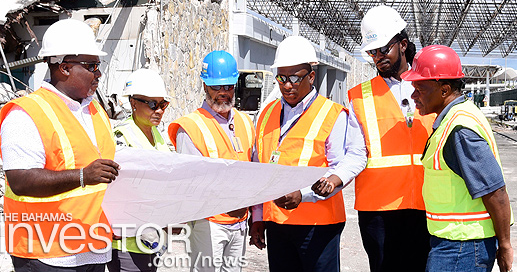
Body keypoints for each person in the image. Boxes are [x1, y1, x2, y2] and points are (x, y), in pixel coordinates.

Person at [0, 19, 120, 271]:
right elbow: (20, 180)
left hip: (92, 246)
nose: (99, 73)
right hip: (46, 252)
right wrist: (83, 176)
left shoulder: (95, 110)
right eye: (92, 66)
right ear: (64, 68)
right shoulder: (27, 113)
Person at [249, 36, 367, 272]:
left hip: (318, 226)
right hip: (277, 223)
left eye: (294, 78)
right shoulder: (267, 114)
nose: (287, 85)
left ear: (311, 76)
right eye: (281, 78)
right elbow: (259, 166)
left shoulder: (332, 114)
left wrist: (303, 194)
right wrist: (258, 216)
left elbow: (348, 161)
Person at [401, 45, 513, 272]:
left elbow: (495, 191)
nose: (413, 96)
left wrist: (505, 244)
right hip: (457, 242)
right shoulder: (454, 118)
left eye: (419, 88)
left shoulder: (459, 129)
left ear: (444, 90)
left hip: (462, 246)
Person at [347, 5, 435, 272]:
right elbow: (353, 151)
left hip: (426, 203)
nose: (378, 57)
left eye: (384, 49)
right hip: (378, 211)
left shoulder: (429, 87)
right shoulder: (358, 96)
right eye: (373, 52)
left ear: (403, 44)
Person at [167, 50, 255, 272]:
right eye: (217, 87)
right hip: (209, 223)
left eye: (228, 87)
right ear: (205, 86)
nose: (223, 93)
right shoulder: (190, 126)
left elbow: (254, 170)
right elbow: (192, 181)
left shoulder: (245, 122)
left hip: (240, 221)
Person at [108, 68, 171, 272]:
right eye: (153, 104)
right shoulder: (121, 137)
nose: (159, 110)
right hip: (127, 243)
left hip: (151, 237)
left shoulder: (157, 135)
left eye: (163, 104)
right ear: (134, 103)